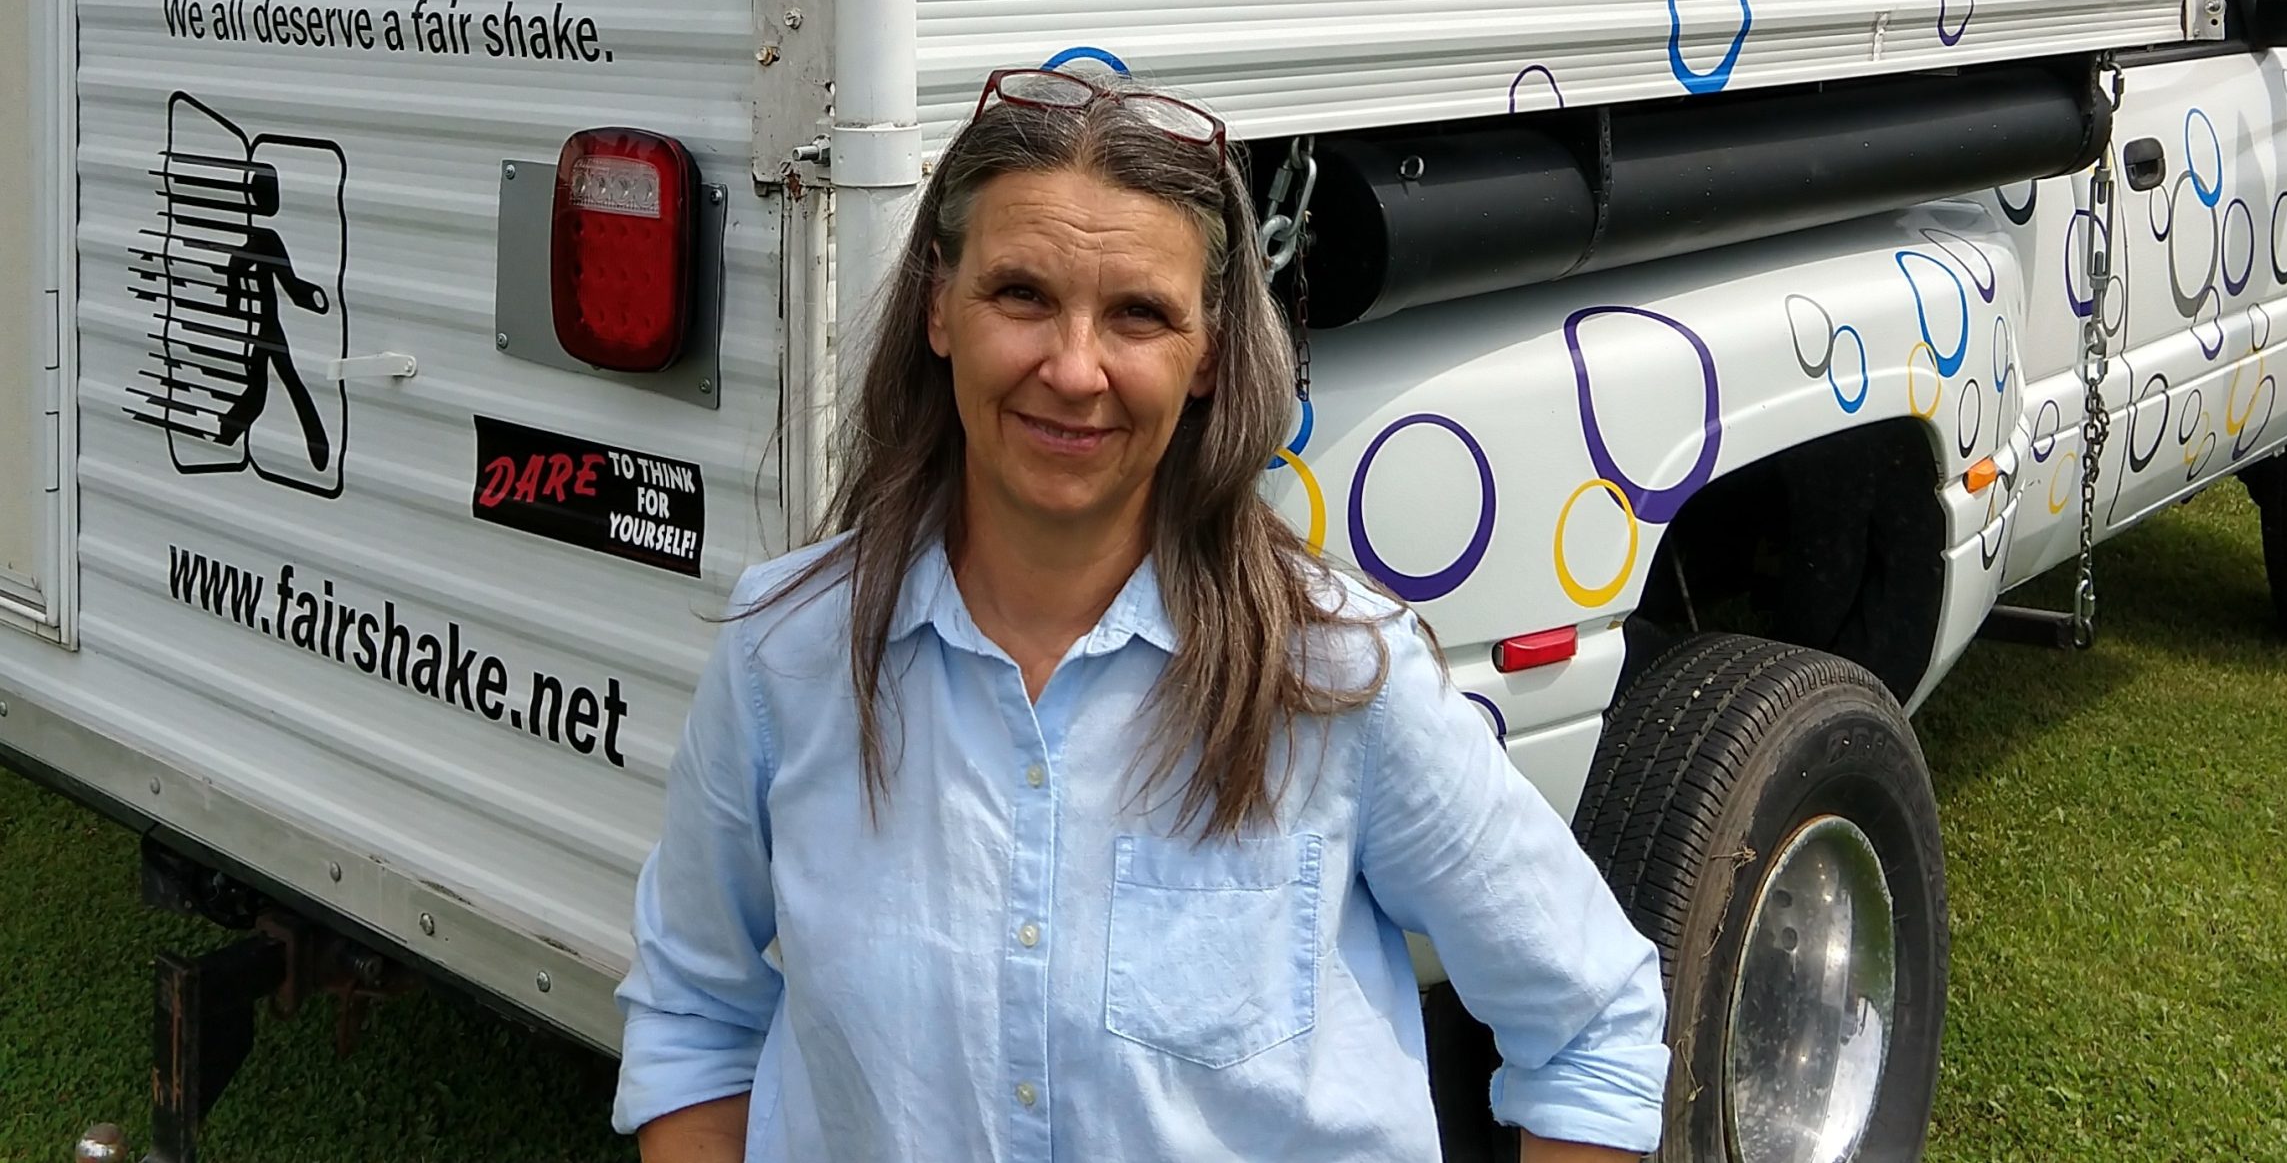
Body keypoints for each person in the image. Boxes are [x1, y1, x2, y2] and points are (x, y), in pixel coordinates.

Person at [613, 69, 1669, 1161]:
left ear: (1207, 352)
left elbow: (1594, 1027)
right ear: (938, 307)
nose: (1073, 370)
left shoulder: (1336, 679)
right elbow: (696, 1015)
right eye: (1020, 294)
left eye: (1137, 314)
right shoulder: (788, 654)